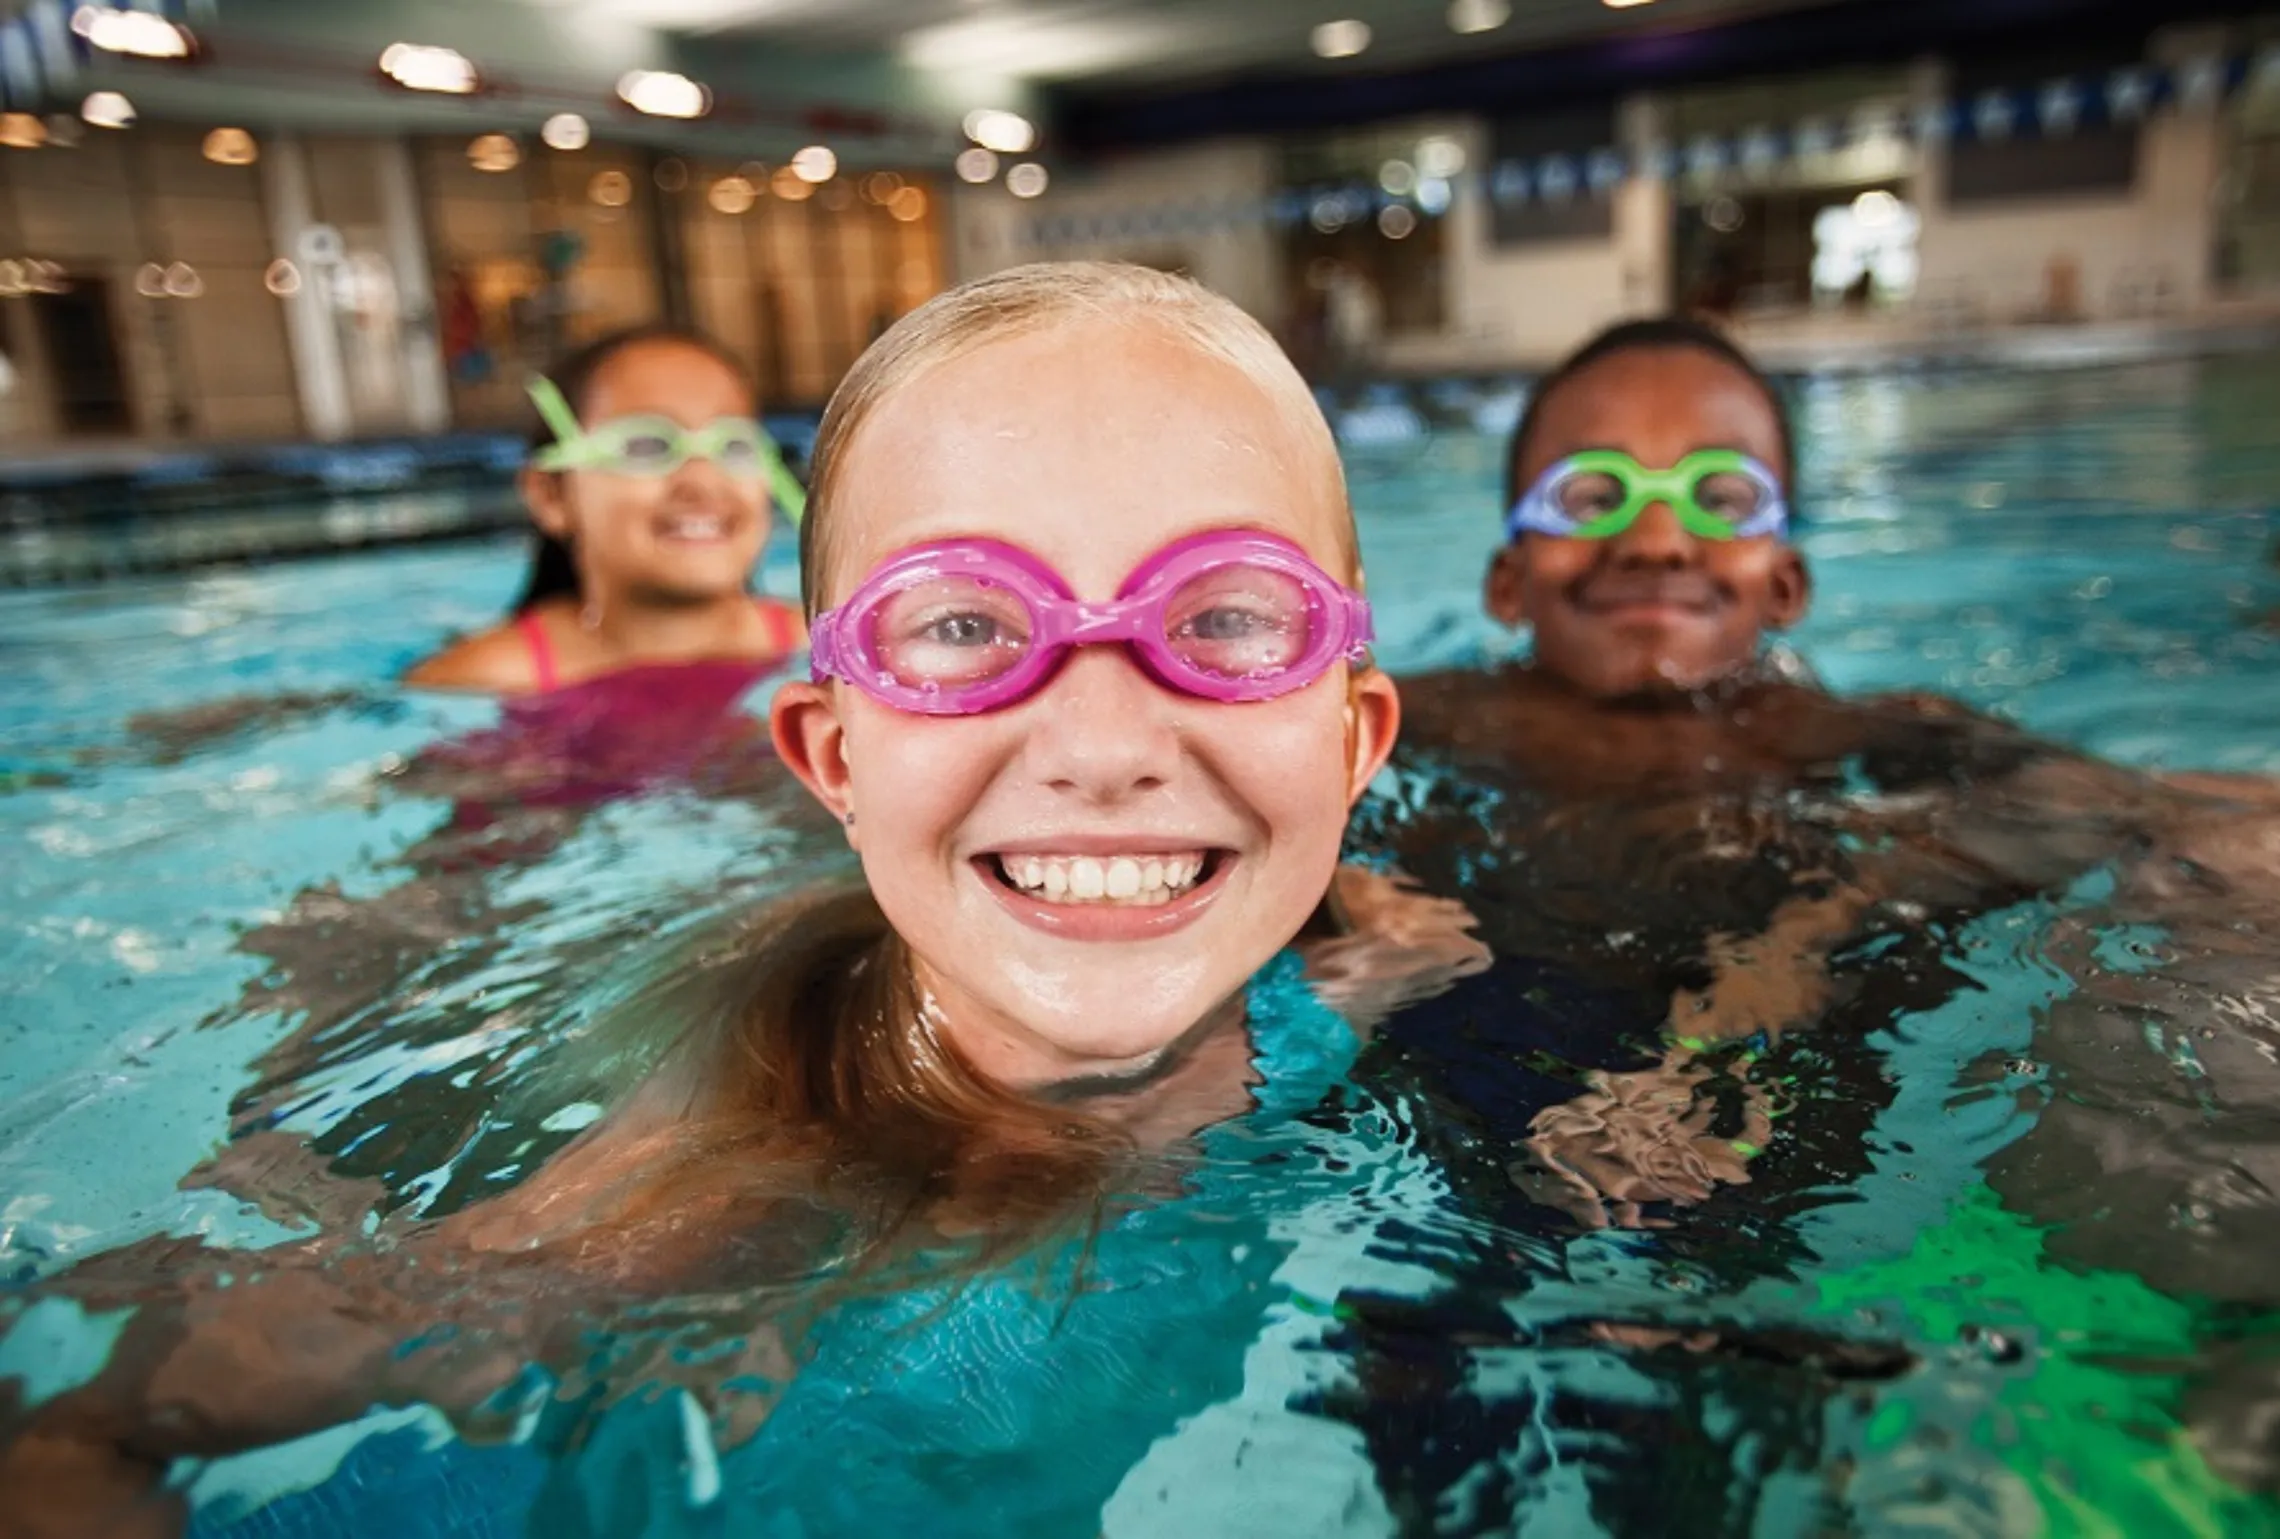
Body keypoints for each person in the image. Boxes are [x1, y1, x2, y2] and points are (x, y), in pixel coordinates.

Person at [0, 262, 1489, 1538]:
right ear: (829, 756)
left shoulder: (1361, 948)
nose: (1104, 748)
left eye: (1224, 617)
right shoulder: (724, 1185)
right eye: (964, 626)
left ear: (1355, 739)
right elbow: (77, 1398)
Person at [404, 325, 806, 696]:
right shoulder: (483, 678)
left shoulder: (824, 645)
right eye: (646, 446)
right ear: (551, 495)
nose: (703, 480)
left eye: (734, 446)